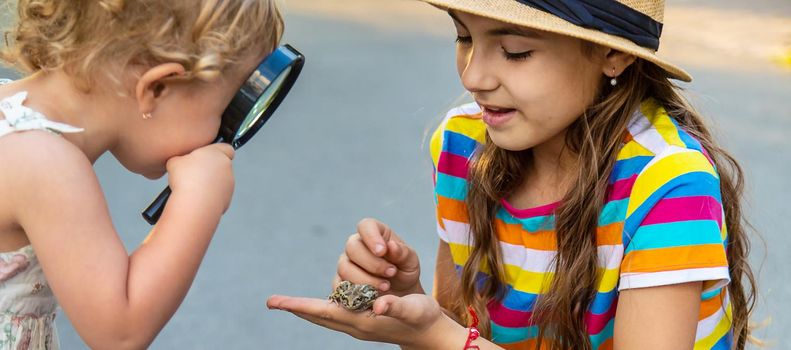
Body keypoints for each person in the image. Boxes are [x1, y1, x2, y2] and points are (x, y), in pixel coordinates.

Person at [267, 0, 757, 349]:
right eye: (464, 37)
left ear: (614, 54)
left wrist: (440, 337)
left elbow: (456, 341)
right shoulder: (464, 142)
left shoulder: (669, 184)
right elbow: (463, 326)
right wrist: (411, 307)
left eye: (516, 50)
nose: (473, 77)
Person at [0, 0, 283, 348]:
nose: (219, 136)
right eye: (223, 113)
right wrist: (198, 201)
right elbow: (121, 332)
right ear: (156, 89)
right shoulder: (43, 163)